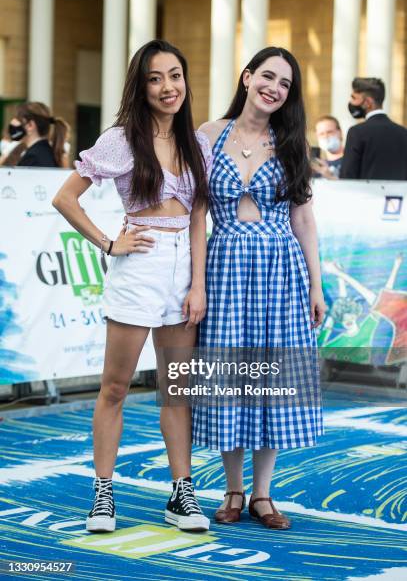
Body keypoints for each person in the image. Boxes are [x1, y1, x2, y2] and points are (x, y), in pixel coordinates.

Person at [52, 40, 212, 533]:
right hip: (138, 264)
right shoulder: (122, 139)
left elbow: (199, 217)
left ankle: (181, 495)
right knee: (116, 387)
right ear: (141, 88)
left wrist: (198, 284)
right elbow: (66, 197)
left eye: (175, 76)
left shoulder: (196, 142)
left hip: (183, 268)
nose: (168, 87)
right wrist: (108, 242)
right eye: (155, 78)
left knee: (176, 390)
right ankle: (103, 496)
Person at [193, 46, 325, 529]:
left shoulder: (291, 142)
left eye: (285, 84)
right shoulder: (208, 134)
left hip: (280, 266)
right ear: (247, 77)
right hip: (224, 262)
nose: (274, 87)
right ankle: (232, 489)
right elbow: (197, 213)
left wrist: (316, 283)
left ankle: (263, 495)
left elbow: (304, 218)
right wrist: (196, 282)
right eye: (267, 76)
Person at [341, 77, 407, 180]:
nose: (351, 102)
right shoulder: (403, 133)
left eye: (354, 98)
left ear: (368, 102)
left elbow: (347, 176)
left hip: (365, 195)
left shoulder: (357, 132)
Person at [8, 102, 69, 167]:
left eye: (17, 119)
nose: (12, 122)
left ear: (30, 125)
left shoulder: (33, 157)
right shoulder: (46, 152)